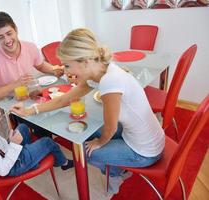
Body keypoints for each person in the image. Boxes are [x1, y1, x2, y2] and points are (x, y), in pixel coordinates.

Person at [10, 28, 165, 196]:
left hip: (145, 151)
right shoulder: (102, 69)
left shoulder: (109, 81)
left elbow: (111, 128)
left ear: (84, 61)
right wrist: (30, 110)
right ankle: (116, 166)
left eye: (68, 65)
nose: (66, 71)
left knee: (84, 155)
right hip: (145, 136)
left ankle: (115, 174)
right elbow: (64, 100)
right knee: (88, 131)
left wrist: (99, 142)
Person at [0, 92, 73, 177]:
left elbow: (0, 146)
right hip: (13, 167)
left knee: (22, 128)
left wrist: (12, 143)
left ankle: (32, 158)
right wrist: (14, 145)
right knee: (47, 142)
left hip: (8, 152)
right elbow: (3, 170)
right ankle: (63, 162)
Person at [0, 11, 64, 99]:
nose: (7, 40)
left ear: (16, 30)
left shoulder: (30, 47)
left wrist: (54, 70)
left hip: (30, 96)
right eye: (1, 37)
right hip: (7, 103)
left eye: (9, 33)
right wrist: (15, 85)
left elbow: (41, 65)